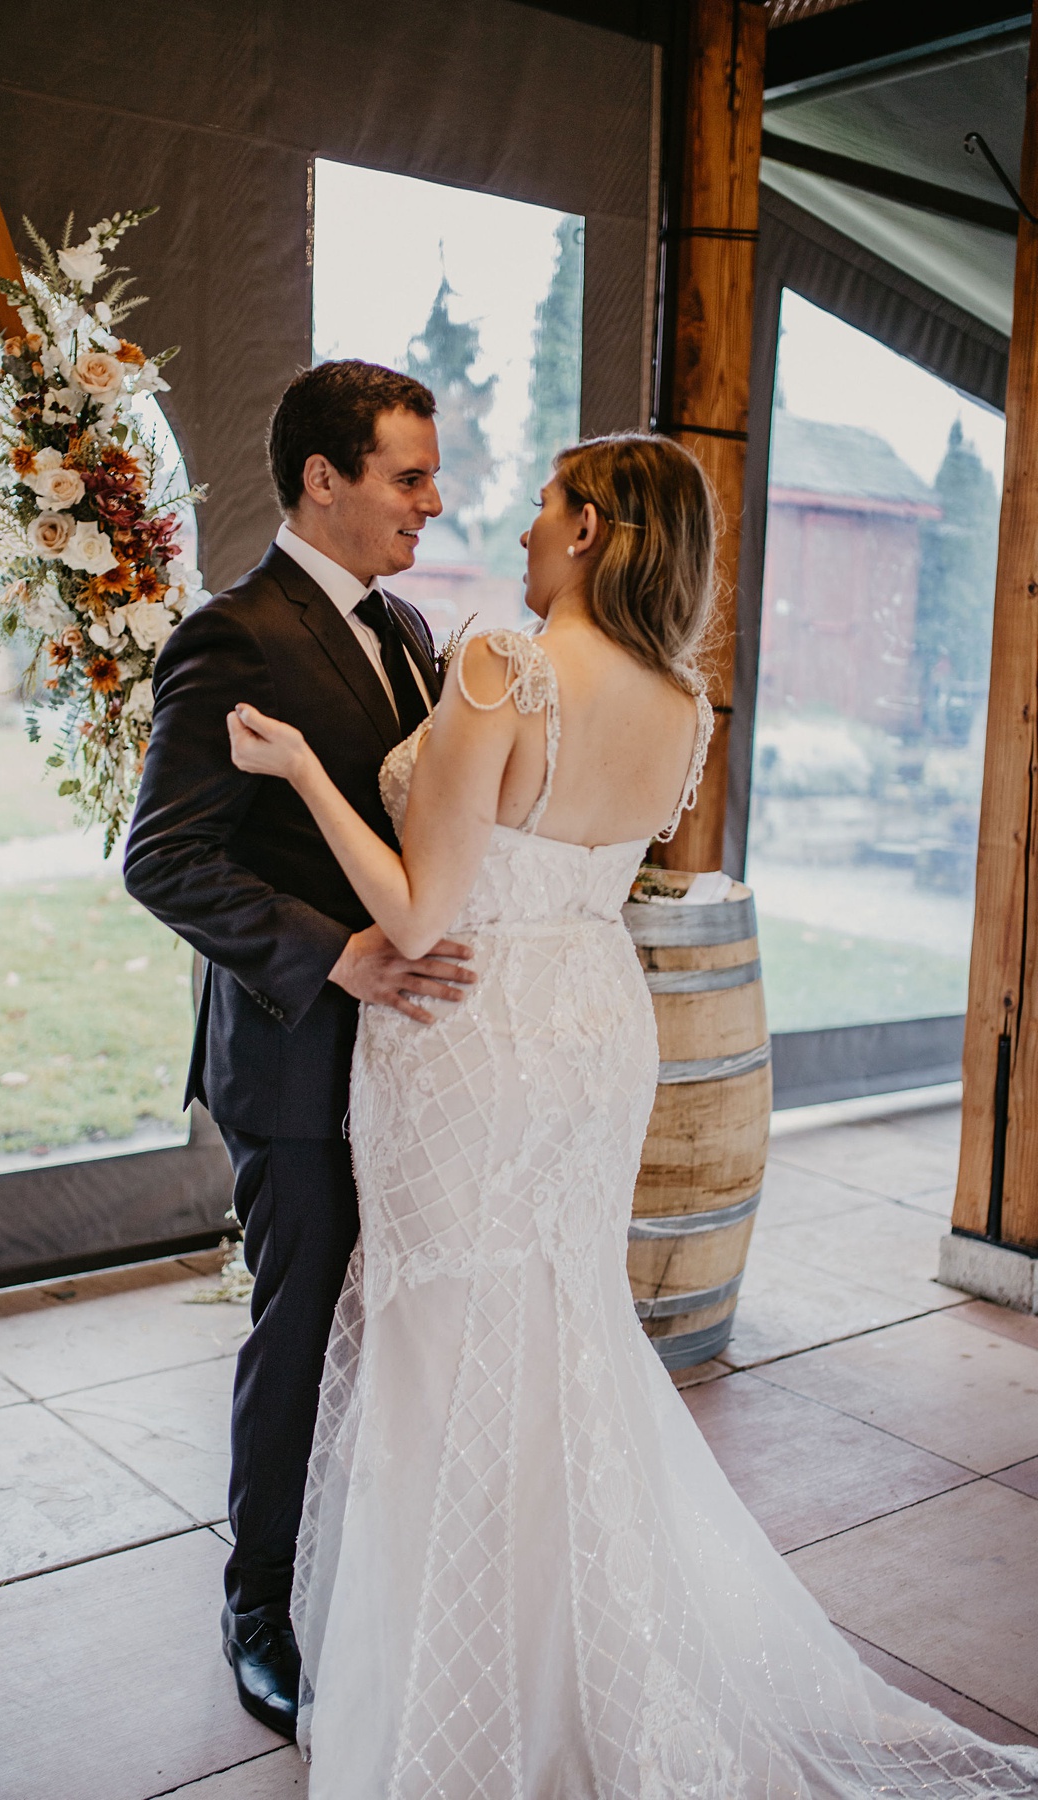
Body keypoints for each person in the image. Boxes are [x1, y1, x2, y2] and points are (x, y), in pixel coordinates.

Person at [227, 432, 1038, 1799]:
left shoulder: (505, 661)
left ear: (592, 528)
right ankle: (583, 1649)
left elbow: (424, 913)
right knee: (559, 1323)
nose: (527, 528)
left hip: (465, 1028)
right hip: (598, 1025)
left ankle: (462, 1683)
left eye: (548, 507)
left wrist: (303, 768)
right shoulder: (682, 705)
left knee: (444, 1325)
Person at [123, 360, 477, 1738]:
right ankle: (258, 1598)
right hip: (291, 1058)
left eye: (431, 476)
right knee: (304, 1318)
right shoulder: (234, 637)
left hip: (413, 1070)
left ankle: (357, 1556)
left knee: (387, 1322)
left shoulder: (408, 629)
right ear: (322, 478)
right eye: (407, 476)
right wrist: (338, 954)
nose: (431, 503)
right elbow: (164, 861)